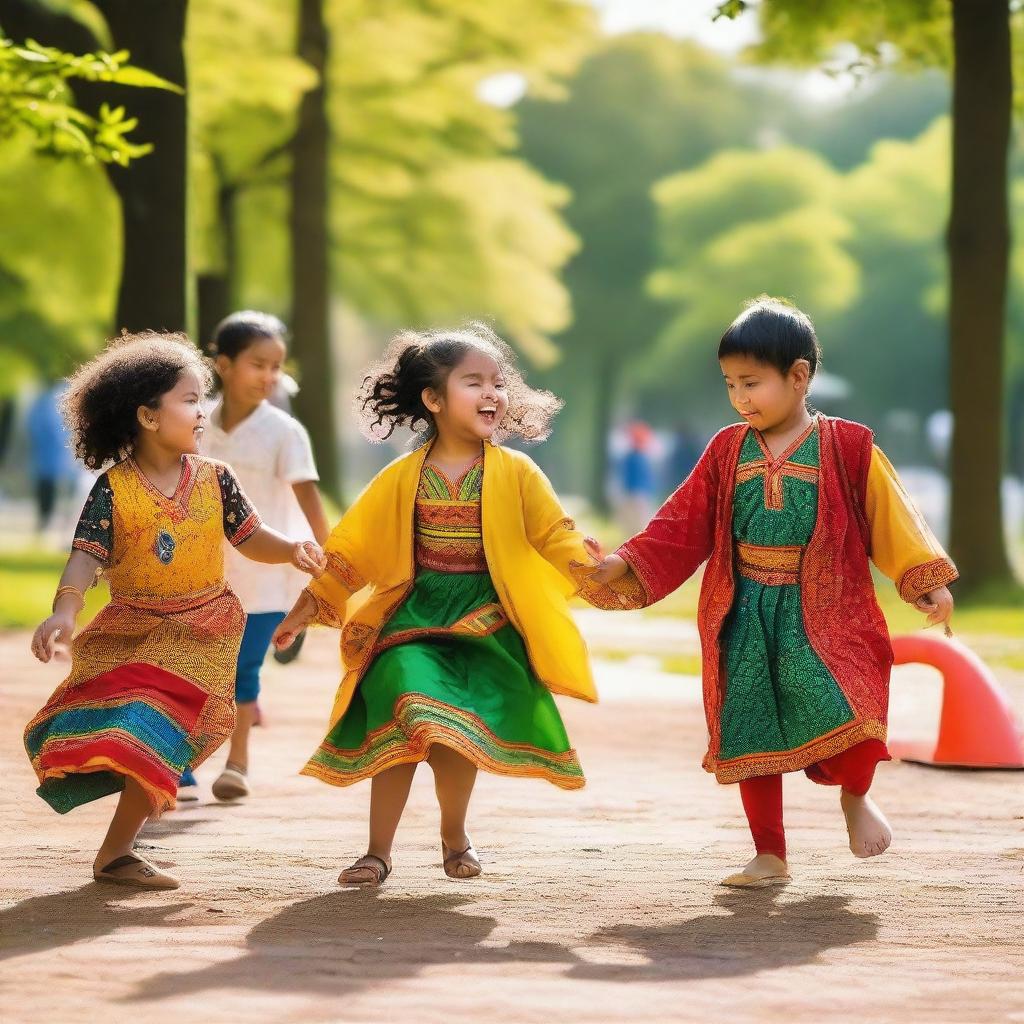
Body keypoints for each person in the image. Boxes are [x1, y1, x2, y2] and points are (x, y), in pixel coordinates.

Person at [591, 297, 957, 889]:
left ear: (799, 376)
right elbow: (679, 525)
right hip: (745, 610)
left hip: (826, 610)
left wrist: (925, 579)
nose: (740, 396)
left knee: (851, 701)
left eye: (752, 382)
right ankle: (769, 853)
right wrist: (621, 562)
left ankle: (855, 797)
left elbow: (892, 517)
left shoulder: (848, 447)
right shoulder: (726, 451)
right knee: (750, 723)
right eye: (731, 383)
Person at [272, 323, 609, 886]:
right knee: (406, 700)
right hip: (414, 619)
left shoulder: (517, 472)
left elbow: (555, 534)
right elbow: (351, 550)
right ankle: (376, 853)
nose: (491, 394)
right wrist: (310, 606)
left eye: (497, 383)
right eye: (473, 381)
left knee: (454, 734)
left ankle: (455, 836)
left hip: (486, 626)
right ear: (433, 399)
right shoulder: (402, 477)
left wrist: (592, 566)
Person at [24, 331, 324, 890]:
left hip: (206, 630)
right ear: (147, 415)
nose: (201, 412)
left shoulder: (216, 479)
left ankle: (115, 852)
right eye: (189, 400)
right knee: (140, 727)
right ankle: (117, 854)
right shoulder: (112, 490)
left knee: (157, 731)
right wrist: (64, 613)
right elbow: (84, 558)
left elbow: (251, 535)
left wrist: (293, 549)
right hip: (133, 631)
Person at [187, 311, 329, 803]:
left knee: (242, 670)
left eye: (276, 367)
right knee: (195, 668)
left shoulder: (284, 431)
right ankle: (180, 765)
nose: (269, 377)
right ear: (222, 364)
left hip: (269, 573)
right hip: (202, 572)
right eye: (257, 365)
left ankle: (237, 763)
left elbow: (308, 497)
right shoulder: (195, 422)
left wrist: (328, 557)